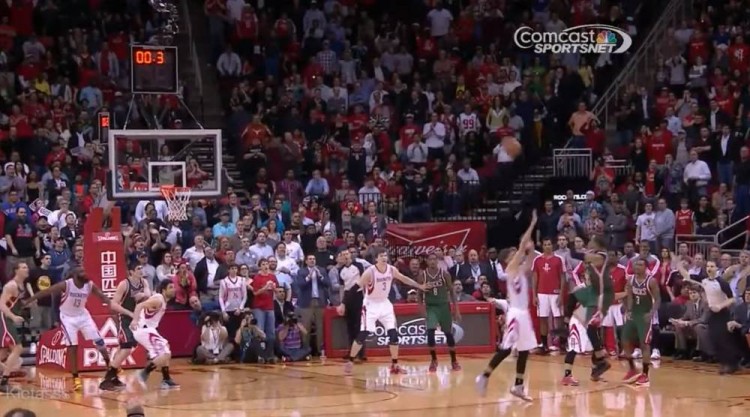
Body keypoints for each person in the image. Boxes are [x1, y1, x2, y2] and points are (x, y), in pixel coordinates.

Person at [24, 268, 133, 392]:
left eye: (85, 271)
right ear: (75, 275)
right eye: (81, 272)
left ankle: (109, 365)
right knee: (73, 346)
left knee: (99, 341)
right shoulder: (66, 285)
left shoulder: (89, 285)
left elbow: (104, 298)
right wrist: (28, 301)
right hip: (67, 318)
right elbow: (46, 292)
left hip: (83, 316)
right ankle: (75, 377)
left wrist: (115, 307)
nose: (85, 274)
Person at [475, 210, 538, 402]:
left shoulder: (521, 270)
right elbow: (522, 247)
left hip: (524, 314)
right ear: (508, 259)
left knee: (525, 350)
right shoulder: (510, 269)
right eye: (513, 254)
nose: (516, 254)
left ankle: (518, 386)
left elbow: (530, 257)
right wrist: (532, 224)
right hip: (515, 314)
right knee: (507, 348)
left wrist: (531, 248)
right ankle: (484, 376)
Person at [343, 247, 427, 375]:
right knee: (363, 334)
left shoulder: (391, 269)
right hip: (371, 304)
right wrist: (343, 303)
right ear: (376, 258)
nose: (384, 258)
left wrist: (419, 286)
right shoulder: (370, 272)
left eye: (385, 255)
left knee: (393, 334)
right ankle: (350, 360)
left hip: (384, 303)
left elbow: (404, 278)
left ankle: (395, 365)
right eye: (381, 256)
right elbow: (356, 287)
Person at [675, 257, 740, 374]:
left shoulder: (722, 282)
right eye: (708, 266)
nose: (709, 268)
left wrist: (720, 306)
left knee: (723, 339)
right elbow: (688, 276)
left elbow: (732, 299)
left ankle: (731, 364)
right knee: (714, 339)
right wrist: (678, 265)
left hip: (722, 313)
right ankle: (723, 363)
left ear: (716, 268)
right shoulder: (704, 280)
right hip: (711, 313)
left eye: (712, 266)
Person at [100, 263, 152, 390]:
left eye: (142, 268)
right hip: (124, 318)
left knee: (125, 348)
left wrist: (143, 295)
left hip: (137, 319)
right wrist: (129, 313)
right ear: (131, 272)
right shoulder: (124, 284)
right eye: (138, 268)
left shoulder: (144, 282)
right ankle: (107, 379)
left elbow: (148, 294)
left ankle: (113, 377)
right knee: (127, 347)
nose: (141, 270)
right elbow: (113, 304)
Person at [130, 279, 179, 389]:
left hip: (148, 330)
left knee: (166, 347)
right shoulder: (158, 300)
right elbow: (139, 306)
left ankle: (166, 379)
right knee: (165, 353)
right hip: (144, 329)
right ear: (163, 290)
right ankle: (144, 373)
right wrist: (135, 320)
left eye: (174, 287)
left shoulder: (161, 300)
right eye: (170, 287)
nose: (174, 289)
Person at [418, 252, 461, 372]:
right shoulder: (422, 276)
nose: (432, 261)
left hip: (444, 306)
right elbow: (419, 294)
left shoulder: (444, 274)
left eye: (434, 259)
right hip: (431, 307)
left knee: (448, 334)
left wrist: (456, 309)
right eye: (430, 259)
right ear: (427, 261)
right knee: (430, 332)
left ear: (437, 261)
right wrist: (421, 308)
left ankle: (454, 360)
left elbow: (452, 291)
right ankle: (434, 360)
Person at [621, 259, 661, 386]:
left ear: (646, 267)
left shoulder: (651, 281)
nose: (637, 266)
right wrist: (628, 310)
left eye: (640, 265)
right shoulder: (631, 280)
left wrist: (651, 313)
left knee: (644, 344)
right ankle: (632, 369)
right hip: (634, 314)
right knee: (625, 341)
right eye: (636, 264)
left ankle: (645, 374)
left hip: (644, 315)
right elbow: (630, 297)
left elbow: (658, 299)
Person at [531, 238, 566, 354]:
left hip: (555, 293)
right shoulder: (537, 260)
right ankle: (544, 345)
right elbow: (535, 278)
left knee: (559, 318)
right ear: (542, 246)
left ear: (552, 245)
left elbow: (562, 277)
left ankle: (562, 344)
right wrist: (534, 295)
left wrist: (561, 294)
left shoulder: (559, 259)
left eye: (549, 244)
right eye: (545, 244)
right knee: (543, 318)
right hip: (542, 293)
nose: (547, 246)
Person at [0, 263, 30, 394]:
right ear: (16, 270)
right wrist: (13, 317)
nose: (27, 269)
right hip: (4, 317)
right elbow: (2, 305)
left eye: (27, 267)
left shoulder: (23, 285)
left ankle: (4, 375)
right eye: (23, 267)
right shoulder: (11, 285)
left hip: (8, 318)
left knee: (3, 352)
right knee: (18, 348)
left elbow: (16, 303)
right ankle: (4, 382)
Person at [336, 249, 366, 361]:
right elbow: (342, 287)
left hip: (358, 295)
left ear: (350, 255)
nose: (345, 256)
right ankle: (351, 351)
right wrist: (342, 303)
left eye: (347, 254)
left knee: (359, 325)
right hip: (347, 297)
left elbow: (364, 281)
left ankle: (361, 353)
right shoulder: (341, 270)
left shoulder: (358, 266)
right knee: (350, 327)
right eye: (343, 254)